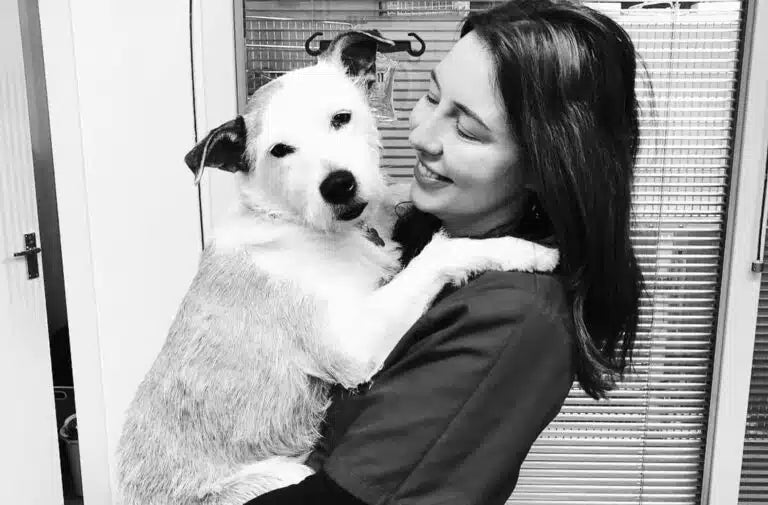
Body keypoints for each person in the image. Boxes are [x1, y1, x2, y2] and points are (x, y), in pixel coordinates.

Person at [244, 1, 643, 503]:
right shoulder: (413, 231)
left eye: (468, 130)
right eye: (431, 96)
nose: (420, 135)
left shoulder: (511, 317)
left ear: (545, 168)